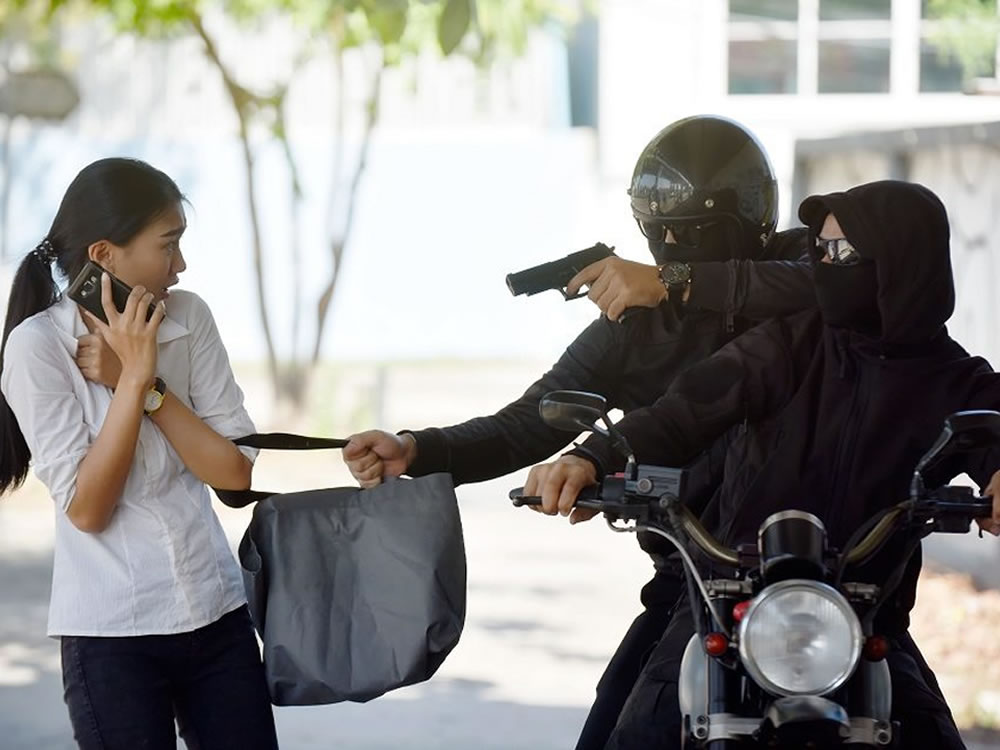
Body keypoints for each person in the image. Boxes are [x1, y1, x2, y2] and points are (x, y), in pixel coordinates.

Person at [343, 114, 815, 748]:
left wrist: (679, 283)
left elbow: (849, 291)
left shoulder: (803, 282)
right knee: (617, 730)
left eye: (692, 235)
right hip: (694, 586)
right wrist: (418, 448)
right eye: (671, 236)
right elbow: (526, 424)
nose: (675, 245)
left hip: (822, 581)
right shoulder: (637, 324)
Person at [525, 179, 1000, 750]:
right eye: (819, 250)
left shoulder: (955, 379)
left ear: (904, 263)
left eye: (842, 252)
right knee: (635, 733)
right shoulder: (788, 342)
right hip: (728, 603)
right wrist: (591, 456)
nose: (824, 264)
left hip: (862, 620)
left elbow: (992, 430)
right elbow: (681, 413)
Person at [0, 158, 279, 750]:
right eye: (168, 245)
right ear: (104, 254)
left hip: (215, 611)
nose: (181, 265)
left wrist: (146, 384)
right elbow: (88, 510)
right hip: (110, 635)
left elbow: (233, 473)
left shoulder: (189, 316)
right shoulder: (38, 349)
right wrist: (128, 385)